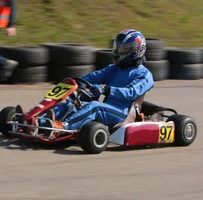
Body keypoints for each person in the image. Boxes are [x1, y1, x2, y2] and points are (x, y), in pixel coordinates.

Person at [16, 29, 154, 132]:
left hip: (122, 114)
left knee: (94, 106)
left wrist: (106, 90)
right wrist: (78, 83)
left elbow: (131, 92)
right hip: (108, 109)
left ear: (136, 50)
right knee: (71, 104)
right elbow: (92, 77)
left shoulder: (144, 74)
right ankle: (36, 121)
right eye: (119, 47)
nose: (120, 50)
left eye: (124, 48)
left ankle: (61, 127)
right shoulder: (114, 68)